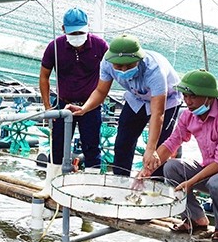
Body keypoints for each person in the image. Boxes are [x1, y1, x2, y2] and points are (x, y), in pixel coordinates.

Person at [140, 69, 218, 242]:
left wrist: (191, 182)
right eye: (185, 96)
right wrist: (148, 168)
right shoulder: (188, 115)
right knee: (171, 167)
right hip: (212, 173)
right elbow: (172, 142)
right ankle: (194, 219)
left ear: (209, 97)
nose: (188, 102)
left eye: (193, 97)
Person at [68, 34, 182, 176]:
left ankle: (154, 187)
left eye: (129, 65)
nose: (123, 69)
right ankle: (120, 181)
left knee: (159, 149)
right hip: (136, 98)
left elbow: (157, 113)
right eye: (119, 66)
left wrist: (150, 149)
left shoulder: (154, 70)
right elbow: (100, 91)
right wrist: (84, 108)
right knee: (123, 141)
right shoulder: (107, 63)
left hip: (167, 101)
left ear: (139, 59)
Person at [35, 7, 109, 197]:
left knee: (92, 147)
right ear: (63, 29)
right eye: (73, 33)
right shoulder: (55, 46)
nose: (77, 36)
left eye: (80, 32)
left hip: (90, 106)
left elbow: (110, 74)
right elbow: (44, 76)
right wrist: (48, 107)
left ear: (88, 28)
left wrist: (91, 103)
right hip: (63, 104)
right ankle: (51, 186)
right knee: (57, 144)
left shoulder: (100, 46)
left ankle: (92, 190)